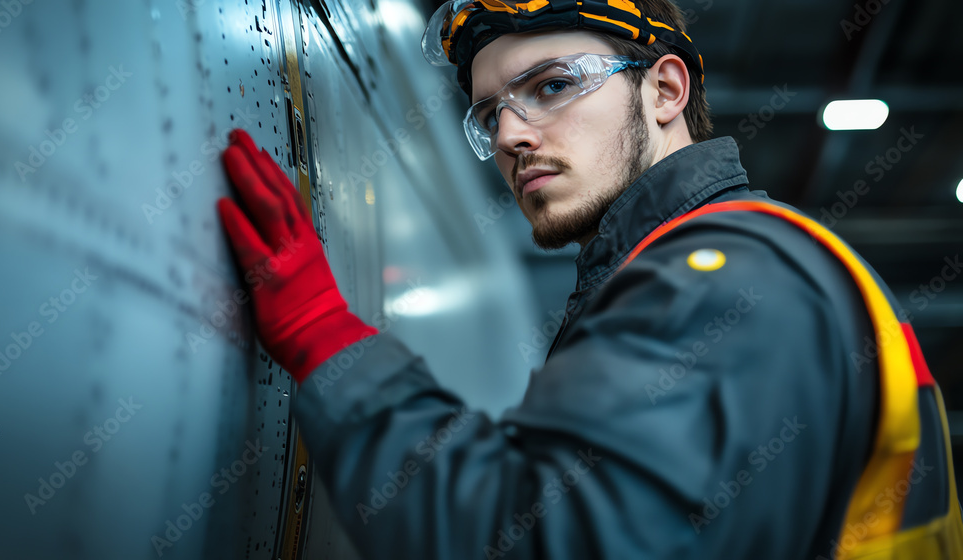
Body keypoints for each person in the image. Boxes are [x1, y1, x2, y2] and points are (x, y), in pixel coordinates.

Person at [215, 0, 963, 557]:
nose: (510, 134)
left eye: (550, 86)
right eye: (491, 113)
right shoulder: (725, 260)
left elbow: (542, 540)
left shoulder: (722, 275)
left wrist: (324, 338)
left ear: (666, 91)